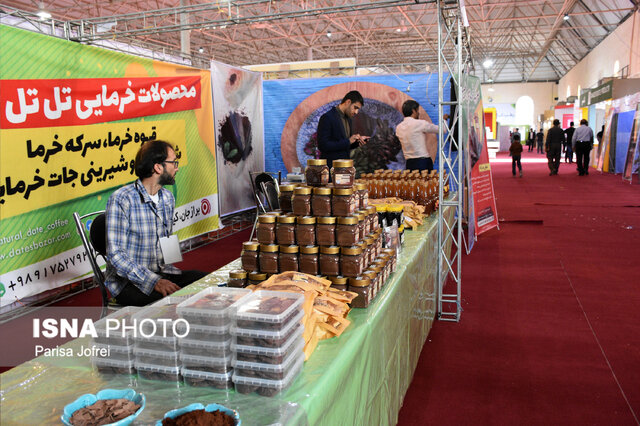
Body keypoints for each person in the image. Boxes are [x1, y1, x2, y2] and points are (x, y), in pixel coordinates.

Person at [105, 140, 208, 306]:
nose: (177, 168)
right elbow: (116, 255)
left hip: (161, 274)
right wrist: (155, 282)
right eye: (173, 162)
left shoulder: (167, 198)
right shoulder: (122, 199)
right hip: (128, 284)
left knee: (207, 282)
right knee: (174, 303)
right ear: (158, 167)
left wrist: (170, 271)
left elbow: (167, 240)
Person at [317, 90, 368, 168]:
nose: (356, 112)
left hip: (345, 170)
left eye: (358, 109)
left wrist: (356, 143)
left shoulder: (349, 119)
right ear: (348, 102)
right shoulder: (327, 117)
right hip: (331, 170)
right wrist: (348, 141)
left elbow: (343, 145)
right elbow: (323, 146)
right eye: (355, 108)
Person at [395, 99, 446, 172]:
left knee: (414, 183)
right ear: (413, 111)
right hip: (423, 162)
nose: (418, 113)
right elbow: (442, 130)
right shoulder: (420, 124)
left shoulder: (398, 128)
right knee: (427, 183)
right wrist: (444, 120)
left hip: (409, 164)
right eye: (417, 110)